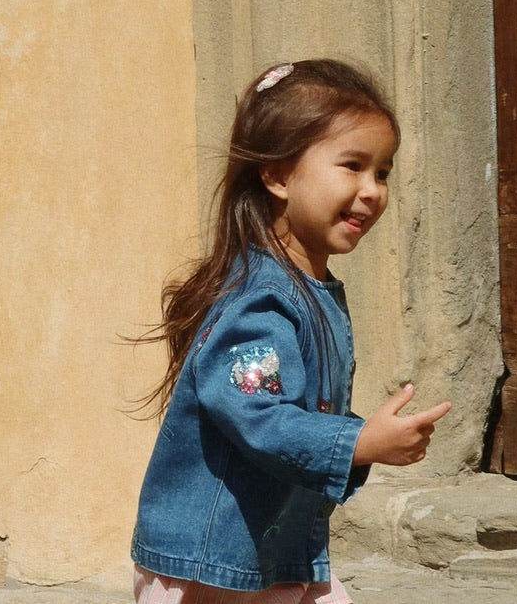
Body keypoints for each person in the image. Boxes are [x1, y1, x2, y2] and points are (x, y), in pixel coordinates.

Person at [130, 58, 452, 603]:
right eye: (352, 165)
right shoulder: (258, 298)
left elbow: (295, 413)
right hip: (212, 569)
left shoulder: (311, 286)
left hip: (272, 553)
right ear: (278, 175)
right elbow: (259, 417)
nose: (373, 190)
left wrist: (364, 439)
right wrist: (358, 442)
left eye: (383, 172)